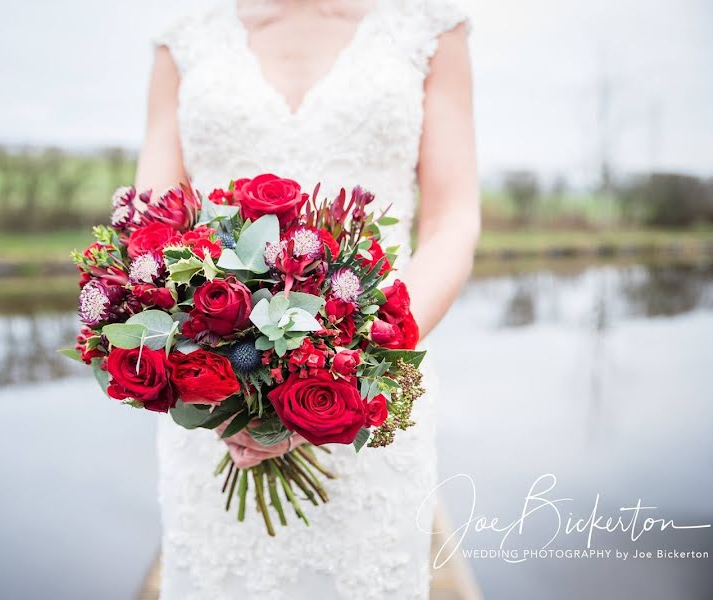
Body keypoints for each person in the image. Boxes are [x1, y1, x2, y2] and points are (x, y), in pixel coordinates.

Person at [136, 1, 480, 597]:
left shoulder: (428, 30)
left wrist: (350, 364)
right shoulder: (184, 41)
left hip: (369, 387)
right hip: (215, 402)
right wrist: (226, 380)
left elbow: (453, 221)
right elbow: (152, 223)